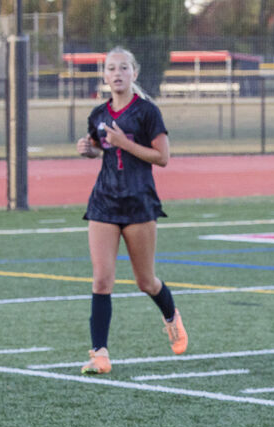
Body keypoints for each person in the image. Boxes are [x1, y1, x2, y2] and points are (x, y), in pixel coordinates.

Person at [76, 46, 186, 374]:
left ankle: (171, 316)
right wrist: (88, 150)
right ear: (105, 75)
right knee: (101, 280)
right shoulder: (98, 114)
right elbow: (100, 149)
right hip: (104, 202)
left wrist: (125, 143)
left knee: (145, 281)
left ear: (134, 73)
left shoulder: (147, 111)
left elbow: (162, 157)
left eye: (124, 68)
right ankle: (100, 354)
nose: (117, 73)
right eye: (111, 68)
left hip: (139, 202)